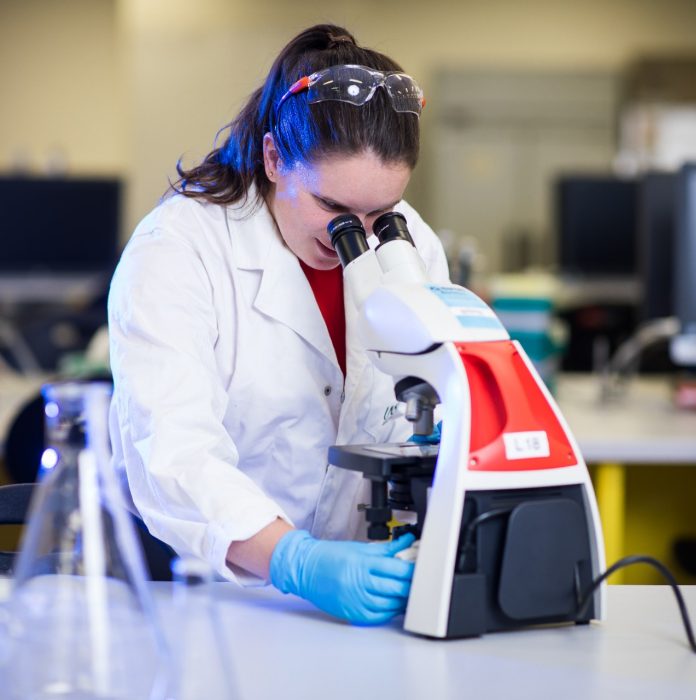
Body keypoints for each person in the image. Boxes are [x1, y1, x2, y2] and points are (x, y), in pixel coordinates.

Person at [108, 23, 450, 625]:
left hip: (354, 603)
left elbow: (436, 408)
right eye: (332, 209)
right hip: (206, 593)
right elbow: (174, 451)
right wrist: (296, 561)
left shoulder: (411, 243)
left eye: (381, 212)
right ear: (273, 158)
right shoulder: (179, 248)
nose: (359, 236)